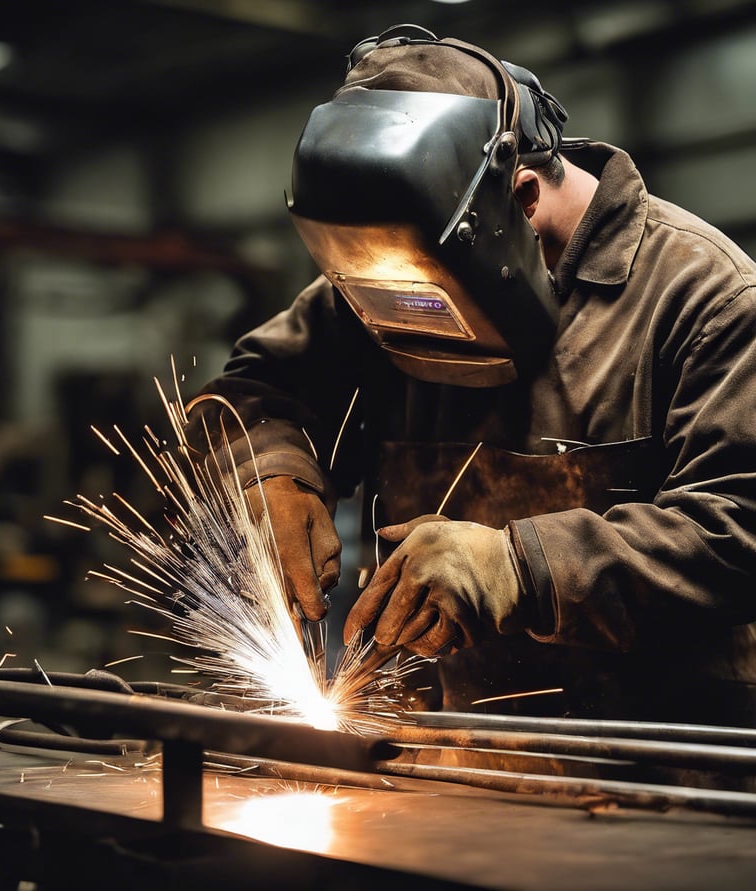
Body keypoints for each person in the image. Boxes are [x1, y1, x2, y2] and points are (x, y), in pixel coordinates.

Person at [188, 24, 756, 725]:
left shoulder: (705, 297)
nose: (399, 310)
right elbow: (249, 391)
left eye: (434, 285)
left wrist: (518, 569)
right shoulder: (378, 281)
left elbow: (740, 532)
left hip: (658, 773)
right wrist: (270, 473)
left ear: (517, 202)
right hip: (442, 754)